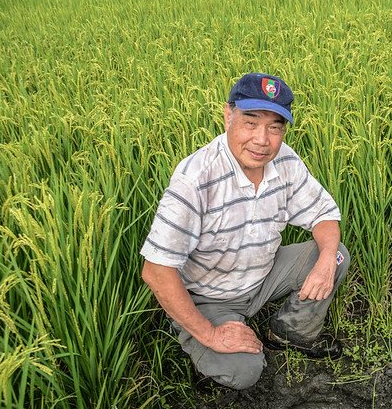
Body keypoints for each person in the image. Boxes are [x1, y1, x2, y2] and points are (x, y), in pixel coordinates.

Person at [140, 72, 349, 390]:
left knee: (334, 255)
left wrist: (323, 263)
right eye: (251, 122)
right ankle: (198, 341)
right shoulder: (196, 181)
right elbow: (156, 270)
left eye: (275, 127)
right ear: (228, 115)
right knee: (244, 371)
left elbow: (324, 216)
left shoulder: (286, 163)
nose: (262, 140)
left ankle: (292, 331)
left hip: (262, 277)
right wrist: (212, 334)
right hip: (209, 297)